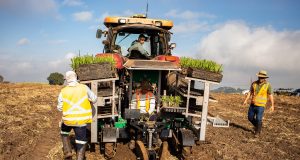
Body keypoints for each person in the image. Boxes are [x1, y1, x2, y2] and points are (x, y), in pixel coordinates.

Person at [57, 71, 97, 160]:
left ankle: (67, 152)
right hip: (81, 121)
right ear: (76, 78)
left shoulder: (63, 91)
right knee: (81, 141)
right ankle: (80, 158)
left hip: (68, 121)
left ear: (66, 80)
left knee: (64, 132)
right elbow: (94, 99)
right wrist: (89, 99)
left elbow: (59, 108)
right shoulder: (84, 88)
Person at [243, 70, 274, 137]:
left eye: (262, 77)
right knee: (250, 118)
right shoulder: (254, 84)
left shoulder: (268, 85)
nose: (261, 78)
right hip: (253, 104)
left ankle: (257, 132)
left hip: (261, 105)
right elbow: (250, 92)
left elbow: (270, 95)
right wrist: (246, 100)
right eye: (260, 77)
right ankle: (259, 127)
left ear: (265, 78)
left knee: (258, 119)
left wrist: (272, 105)